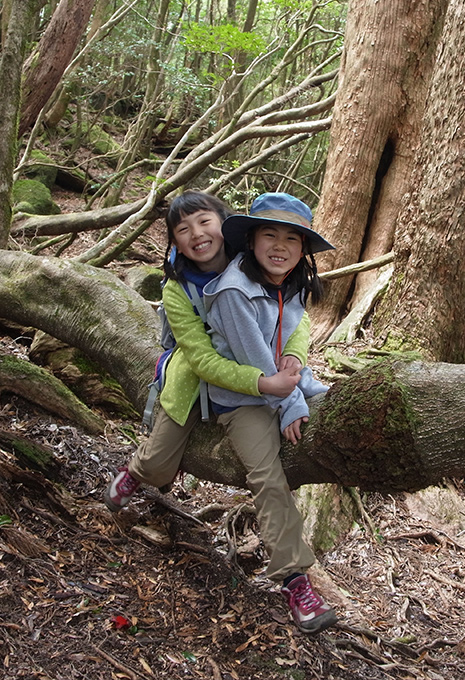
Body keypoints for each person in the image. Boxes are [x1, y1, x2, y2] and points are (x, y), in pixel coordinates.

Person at [104, 191, 304, 509]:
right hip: (197, 380)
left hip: (257, 362)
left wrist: (294, 352)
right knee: (157, 466)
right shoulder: (178, 289)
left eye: (204, 221)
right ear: (175, 244)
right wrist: (263, 383)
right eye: (183, 230)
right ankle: (135, 470)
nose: (196, 233)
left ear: (224, 224)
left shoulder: (254, 259)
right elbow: (201, 360)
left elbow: (294, 307)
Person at [201, 192, 338, 635]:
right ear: (252, 241)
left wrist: (297, 364)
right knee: (267, 474)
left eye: (292, 239)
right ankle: (295, 579)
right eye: (269, 235)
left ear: (302, 250)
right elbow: (255, 360)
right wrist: (291, 402)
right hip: (241, 397)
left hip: (283, 384)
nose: (280, 246)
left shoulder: (289, 282)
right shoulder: (233, 291)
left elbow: (297, 327)